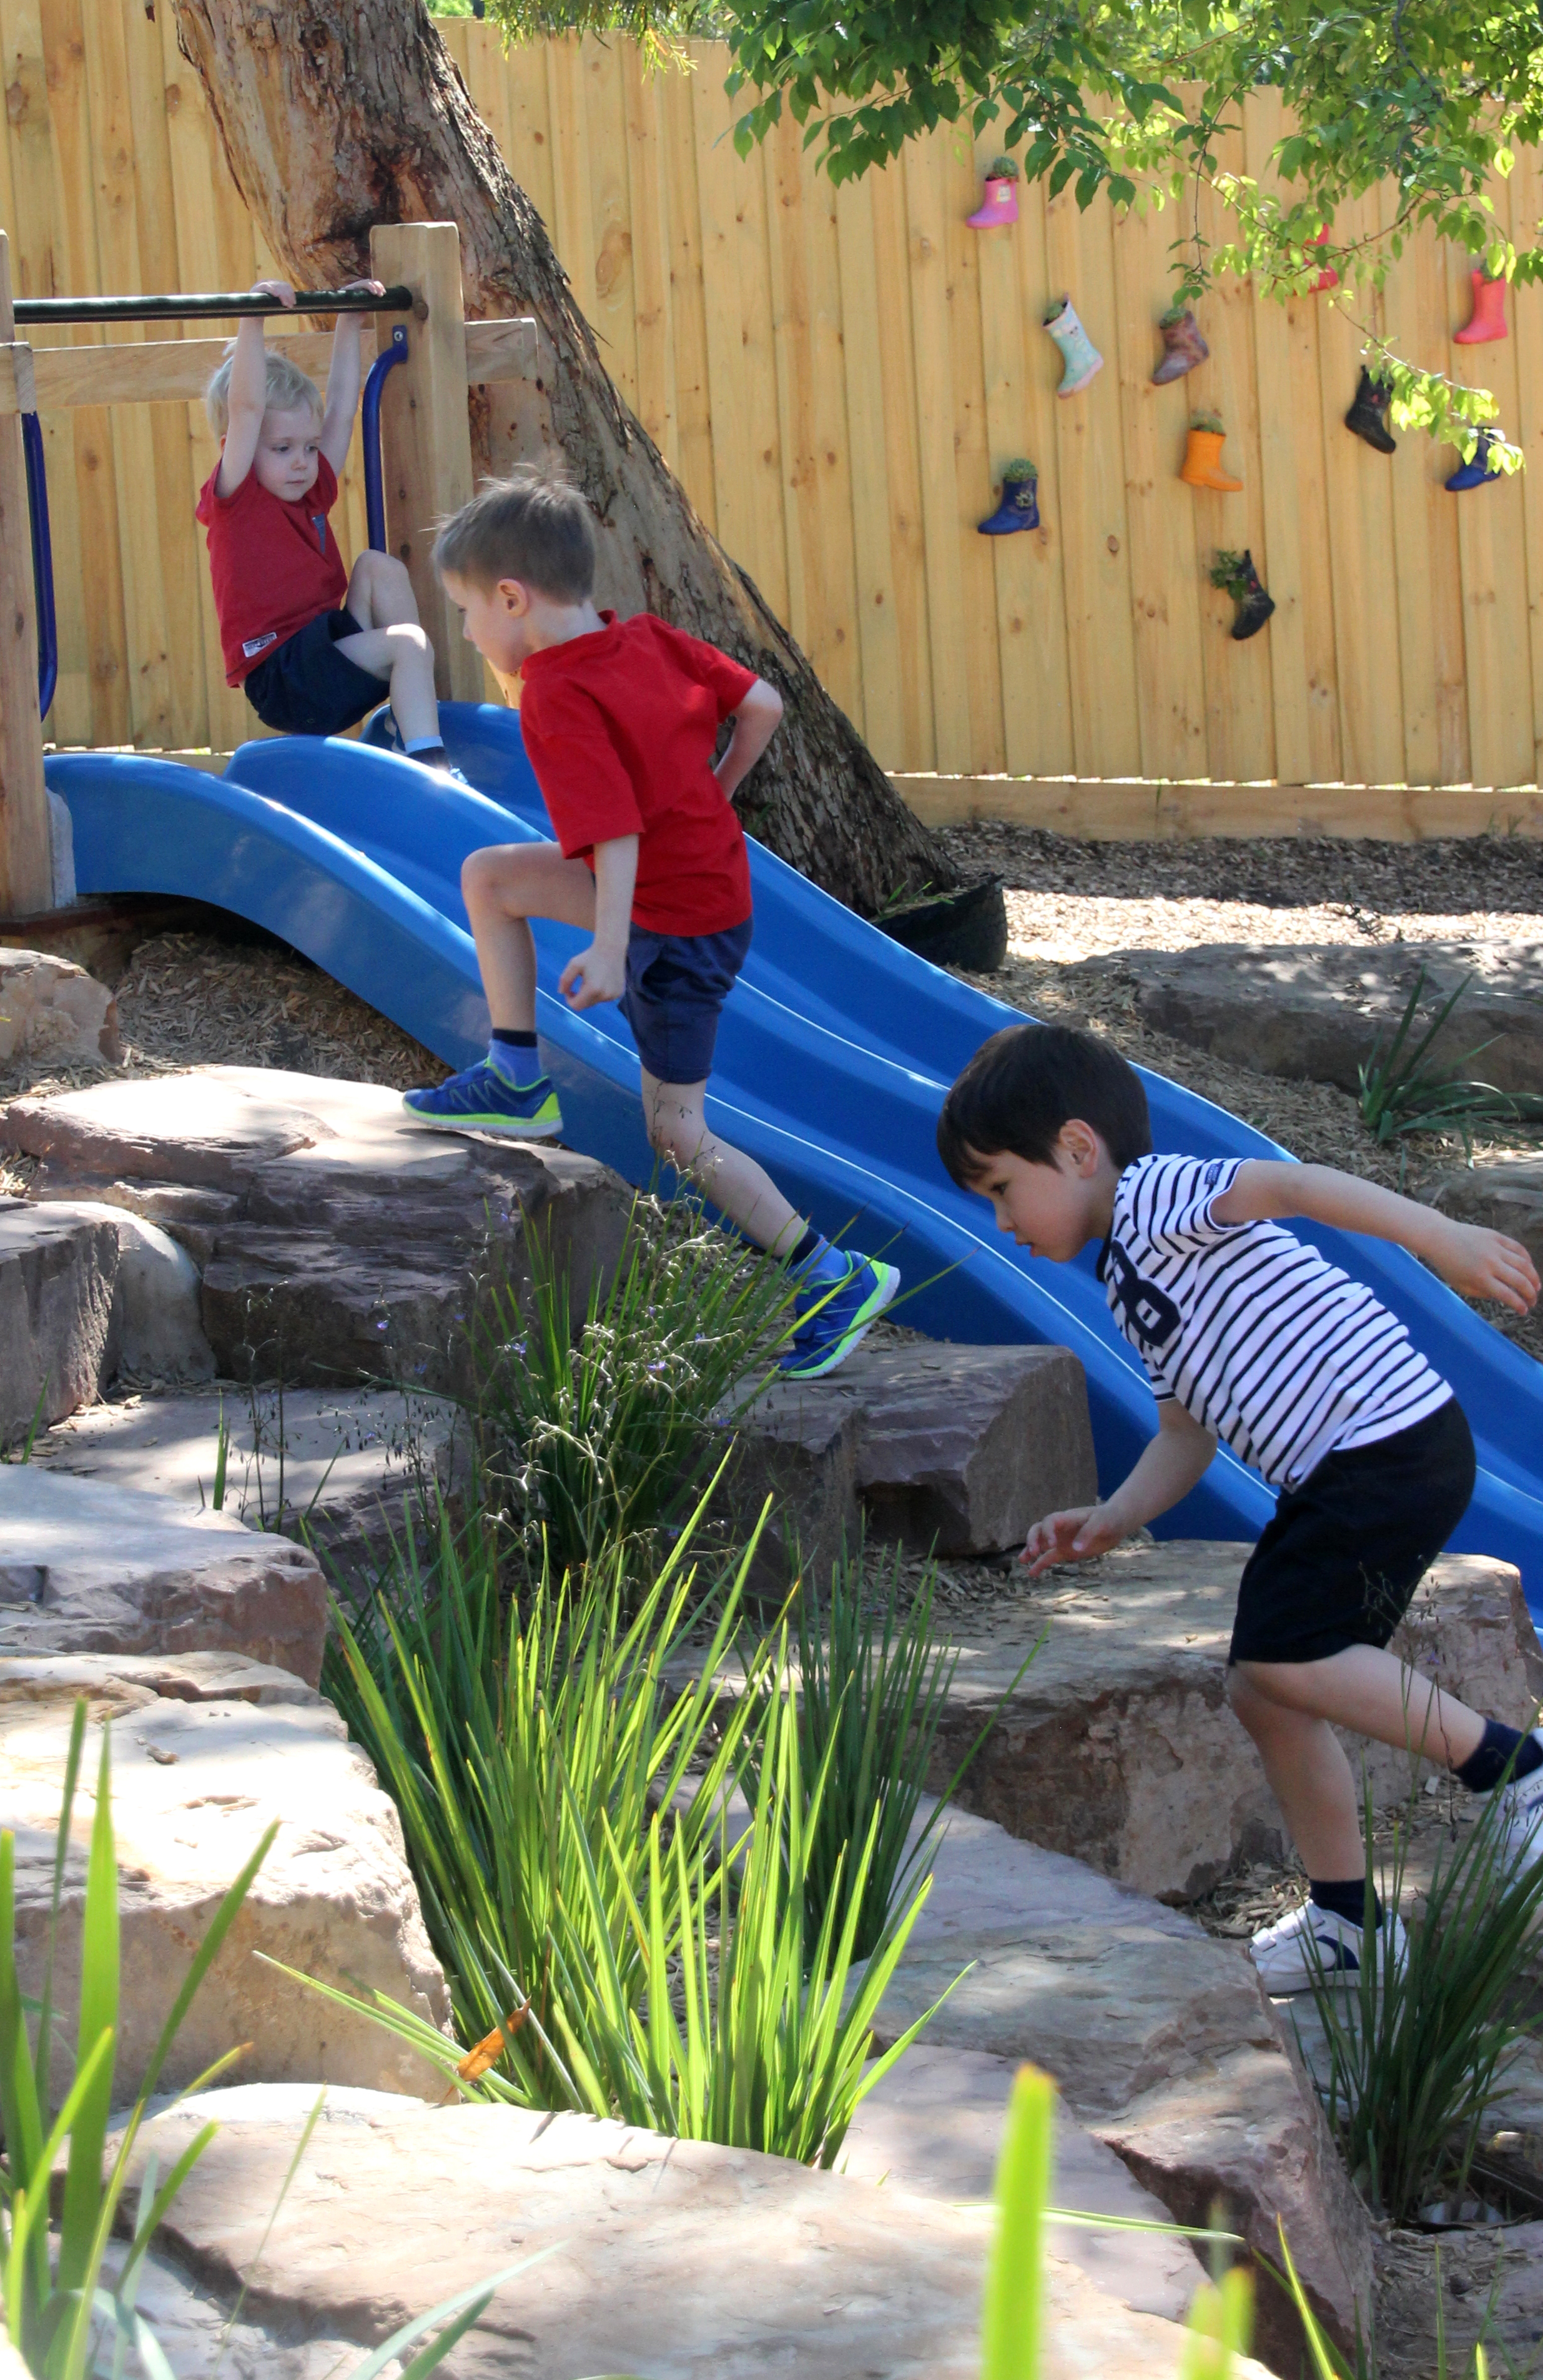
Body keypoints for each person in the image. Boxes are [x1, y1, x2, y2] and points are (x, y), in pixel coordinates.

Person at [936, 1017, 1543, 1990]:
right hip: (1349, 1468)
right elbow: (1187, 1431)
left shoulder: (1155, 1196)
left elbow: (1292, 1185)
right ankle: (1348, 1921)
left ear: (1078, 1148)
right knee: (1264, 1689)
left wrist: (1442, 1238)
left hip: (1385, 1441)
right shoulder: (1131, 1285)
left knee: (1283, 1652)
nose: (1002, 1221)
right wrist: (1112, 1518)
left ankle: (1511, 1767)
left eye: (1003, 1188)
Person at [401, 464, 902, 1381]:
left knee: (679, 1134)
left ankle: (831, 1274)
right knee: (490, 876)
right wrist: (713, 797)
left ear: (513, 597)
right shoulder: (649, 639)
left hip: (669, 921)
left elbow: (618, 833)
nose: (469, 632)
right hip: (704, 890)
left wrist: (607, 944)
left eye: (470, 612)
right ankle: (516, 1073)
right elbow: (761, 706)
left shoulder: (555, 691)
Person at [198, 279, 452, 767]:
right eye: (283, 449)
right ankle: (430, 766)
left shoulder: (309, 489)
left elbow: (339, 410)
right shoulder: (236, 499)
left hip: (323, 647)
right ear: (239, 446)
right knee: (410, 644)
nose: (302, 461)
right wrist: (252, 318)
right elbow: (247, 408)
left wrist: (349, 321)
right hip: (285, 677)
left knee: (378, 566)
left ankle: (412, 718)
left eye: (308, 448)